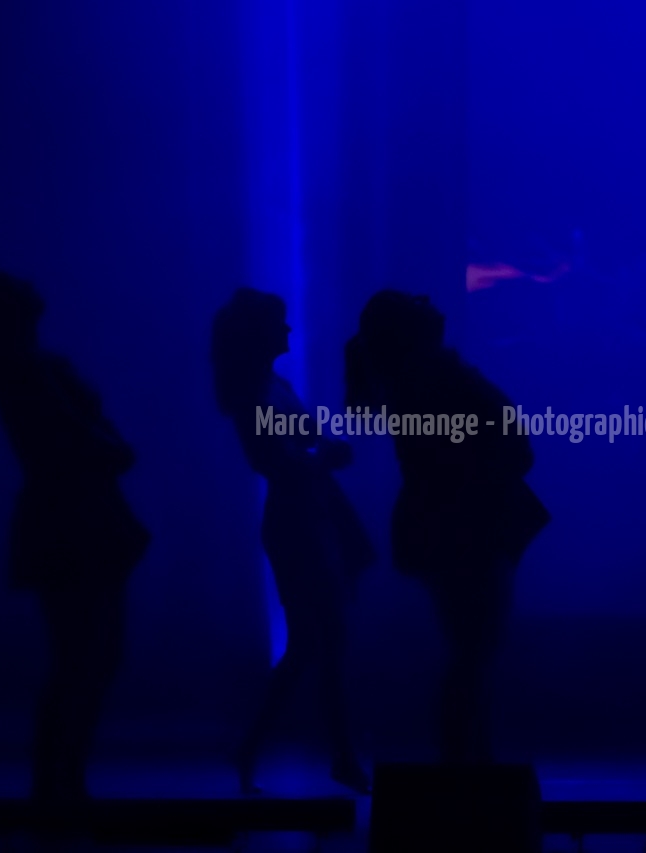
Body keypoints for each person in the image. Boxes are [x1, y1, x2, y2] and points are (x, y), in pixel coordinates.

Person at [0, 269, 148, 807]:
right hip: (75, 519)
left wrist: (108, 448)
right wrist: (113, 449)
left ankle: (58, 781)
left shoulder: (23, 371)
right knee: (88, 657)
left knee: (84, 657)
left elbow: (72, 435)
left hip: (67, 516)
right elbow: (77, 436)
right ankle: (60, 783)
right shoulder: (29, 370)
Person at [345, 290, 549, 764]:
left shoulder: (422, 379)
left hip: (455, 522)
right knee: (474, 651)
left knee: (473, 650)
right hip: (464, 524)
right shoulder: (431, 380)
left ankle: (469, 763)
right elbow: (483, 445)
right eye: (418, 307)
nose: (430, 306)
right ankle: (463, 767)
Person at [211, 288, 373, 795]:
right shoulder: (256, 394)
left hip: (307, 515)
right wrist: (325, 455)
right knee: (324, 641)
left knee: (309, 646)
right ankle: (339, 756)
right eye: (278, 323)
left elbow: (294, 443)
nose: (287, 330)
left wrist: (321, 448)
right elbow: (274, 459)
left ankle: (261, 748)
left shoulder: (268, 387)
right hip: (299, 522)